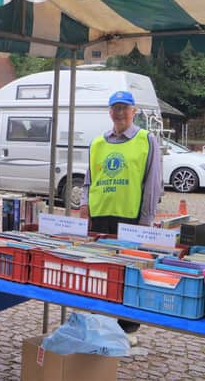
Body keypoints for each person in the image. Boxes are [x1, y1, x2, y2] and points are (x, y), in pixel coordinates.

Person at [80, 90, 163, 344]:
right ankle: (100, 319)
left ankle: (127, 328)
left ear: (133, 111)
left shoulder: (146, 139)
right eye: (115, 108)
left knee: (129, 273)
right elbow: (88, 181)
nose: (119, 113)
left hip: (130, 218)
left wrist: (145, 221)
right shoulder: (97, 143)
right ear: (109, 112)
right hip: (100, 216)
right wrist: (85, 207)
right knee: (99, 270)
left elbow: (152, 183)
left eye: (124, 108)